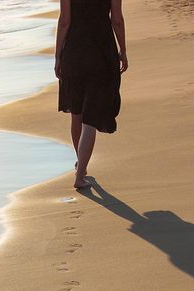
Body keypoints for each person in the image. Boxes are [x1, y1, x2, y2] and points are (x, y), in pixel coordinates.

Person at [55, 0, 128, 188]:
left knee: (76, 114)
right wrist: (123, 50)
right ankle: (79, 176)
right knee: (91, 120)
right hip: (102, 53)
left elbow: (64, 21)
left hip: (74, 53)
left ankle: (81, 163)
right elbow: (117, 20)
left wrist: (57, 57)